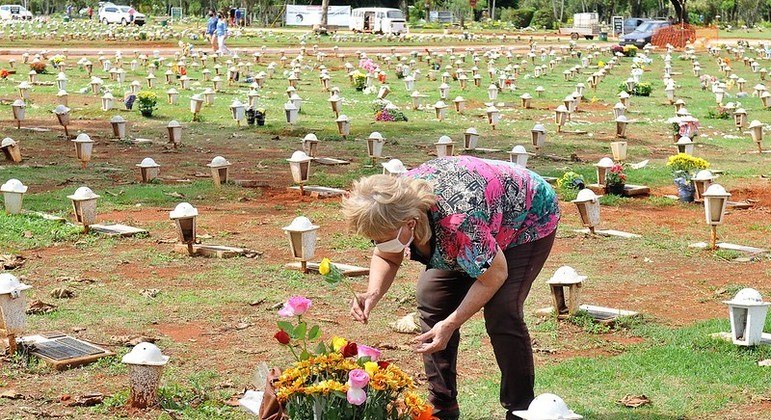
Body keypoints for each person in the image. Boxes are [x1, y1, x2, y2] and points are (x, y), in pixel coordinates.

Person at [343, 156, 560, 420]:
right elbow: (387, 255)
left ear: (410, 223)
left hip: (526, 215)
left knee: (502, 310)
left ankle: (522, 408)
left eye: (381, 238)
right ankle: (442, 406)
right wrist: (374, 291)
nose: (378, 243)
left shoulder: (459, 222)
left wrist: (452, 322)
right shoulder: (393, 204)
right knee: (432, 296)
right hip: (478, 214)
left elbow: (494, 275)